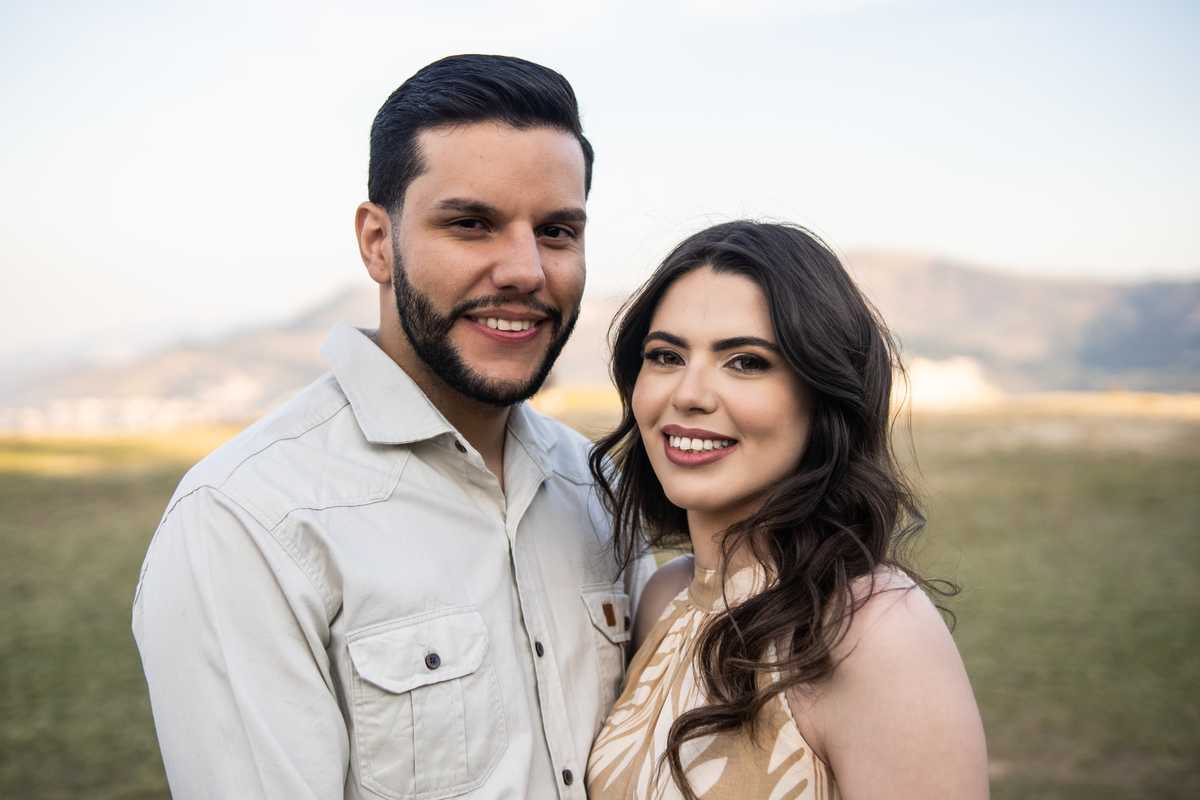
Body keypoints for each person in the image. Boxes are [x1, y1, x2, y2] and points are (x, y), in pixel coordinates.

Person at [133, 54, 654, 800]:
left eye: (556, 230)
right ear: (378, 242)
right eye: (471, 224)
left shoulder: (596, 489)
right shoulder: (246, 518)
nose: (526, 270)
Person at [585, 221, 989, 799]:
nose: (688, 394)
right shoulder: (664, 598)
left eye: (746, 362)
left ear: (823, 395)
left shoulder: (871, 629)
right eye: (666, 356)